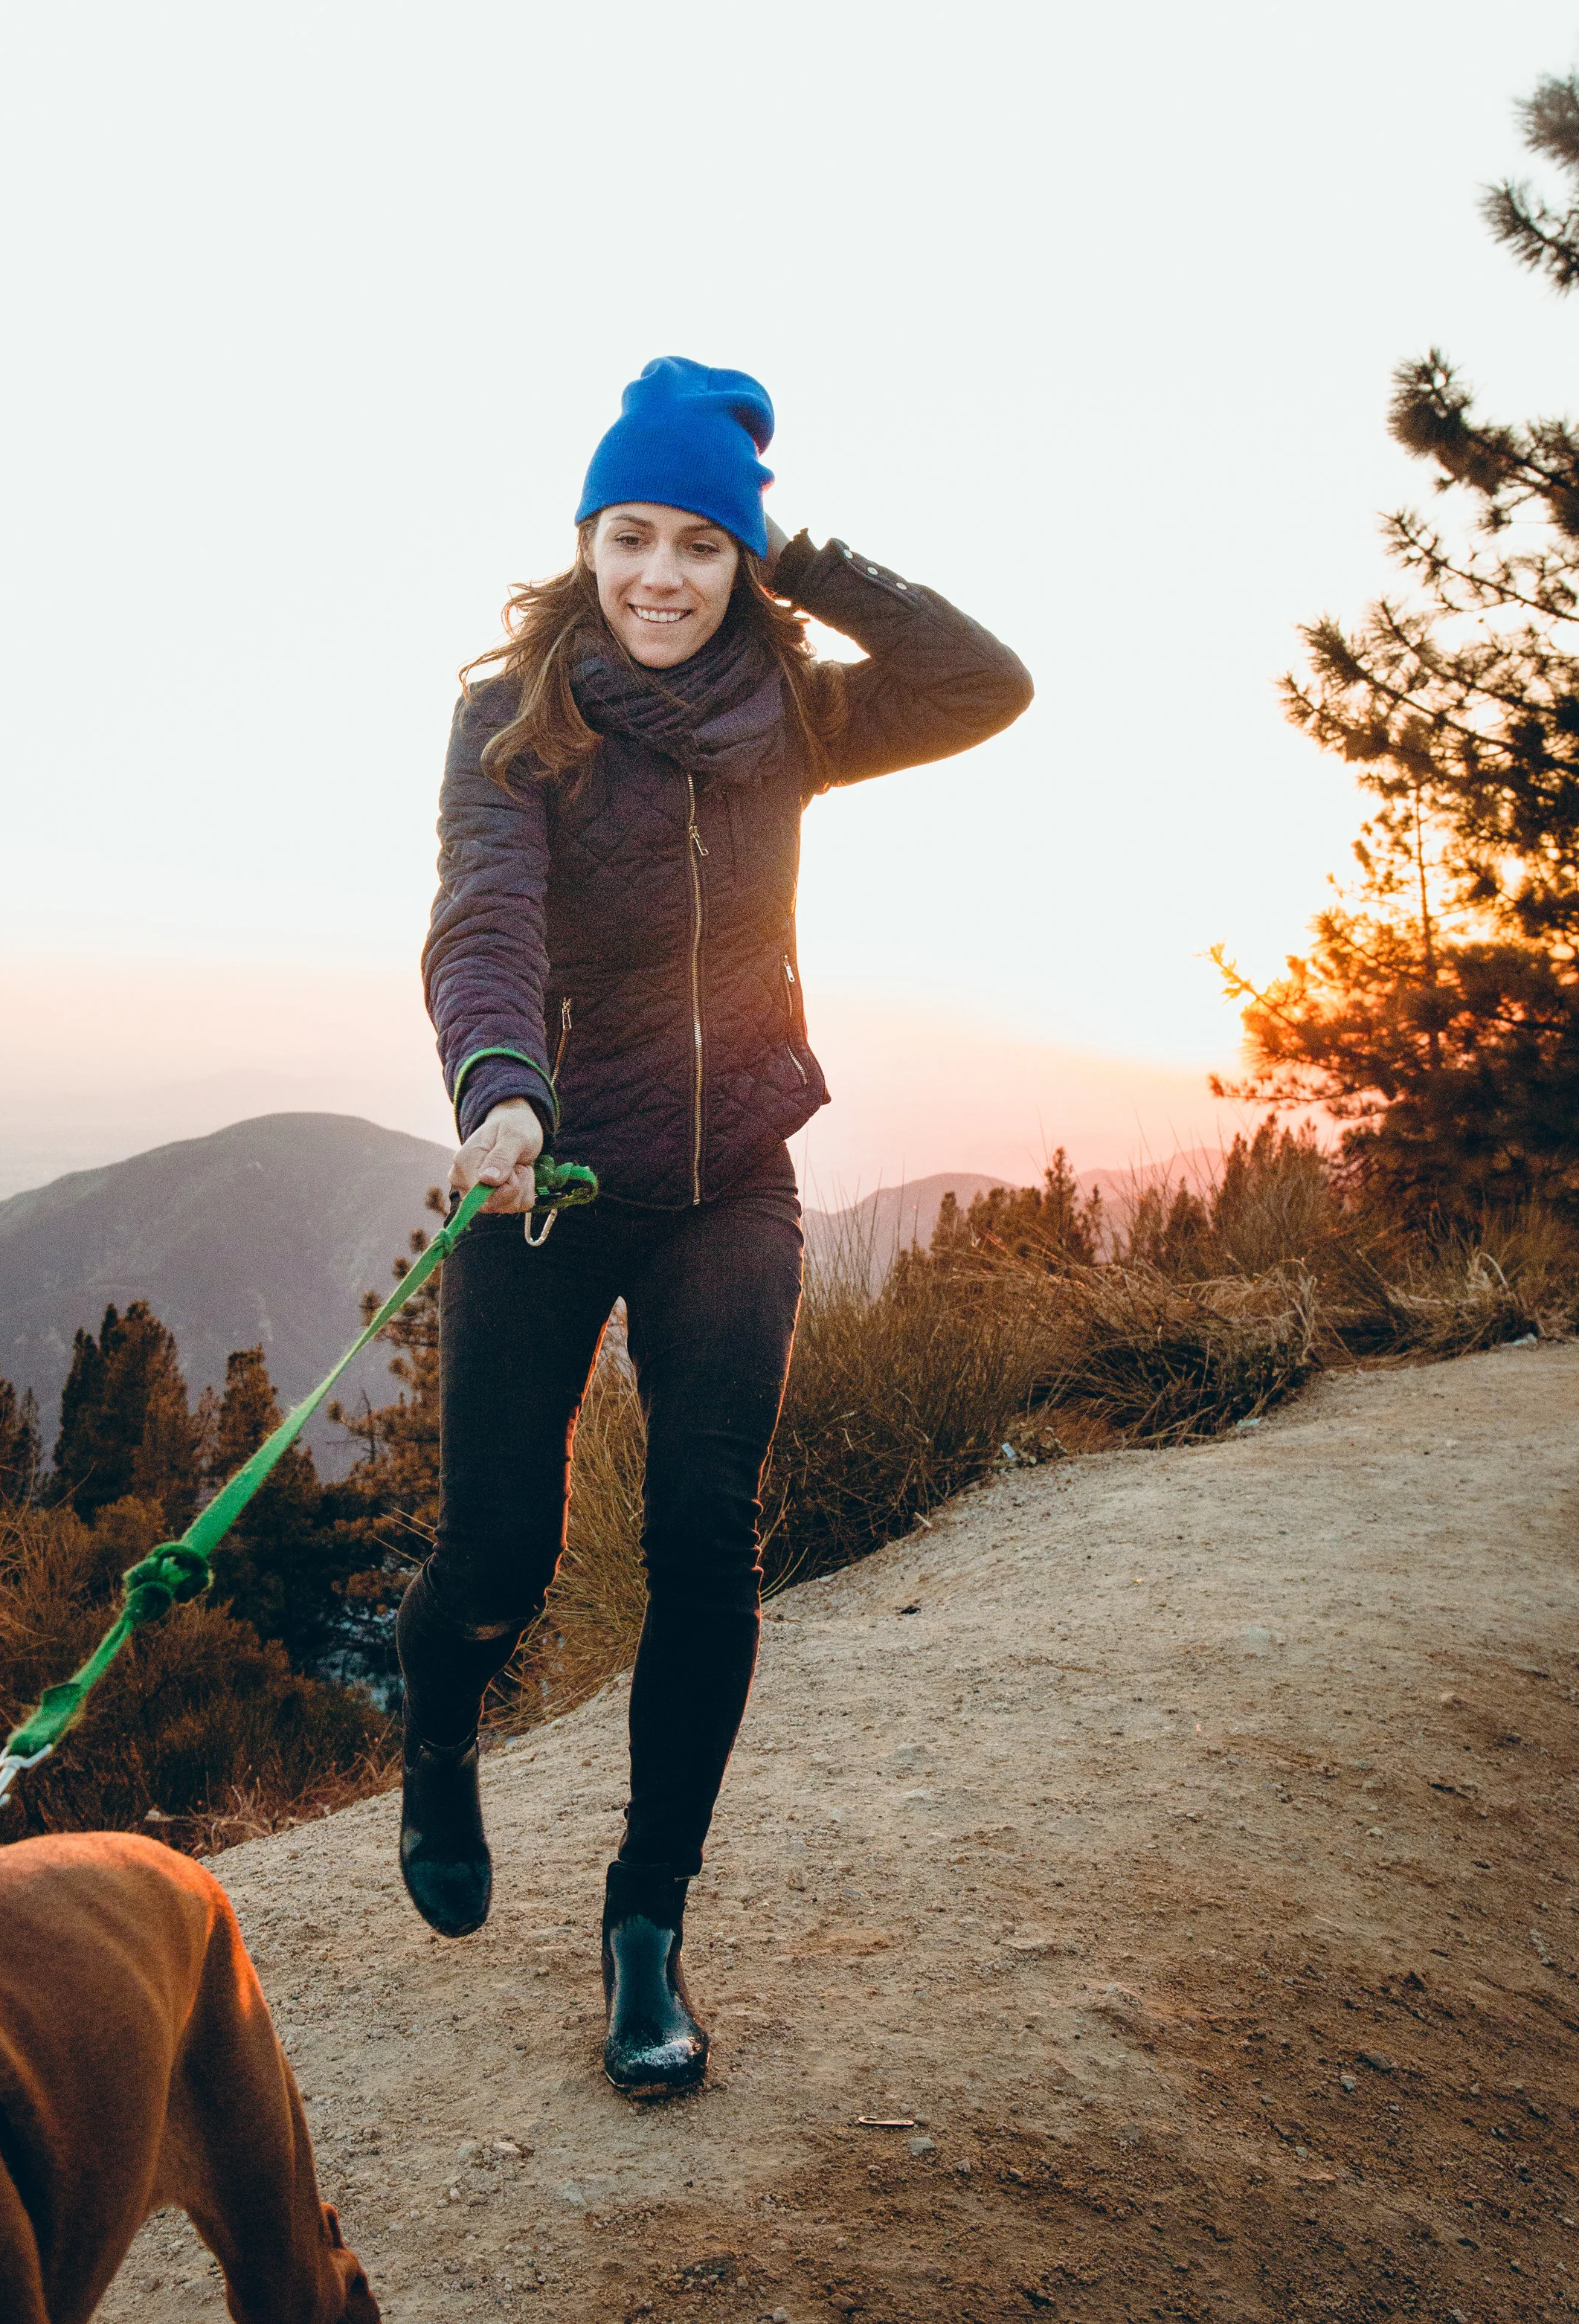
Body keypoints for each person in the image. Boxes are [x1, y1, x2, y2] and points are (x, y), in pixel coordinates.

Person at [401, 356, 1034, 2096]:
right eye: (630, 535)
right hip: (552, 1177)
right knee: (499, 1556)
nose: (659, 575)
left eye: (698, 541)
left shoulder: (797, 709)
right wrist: (501, 1087)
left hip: (732, 1174)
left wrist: (802, 553)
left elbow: (986, 681)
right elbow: (484, 913)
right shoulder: (513, 713)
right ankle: (436, 1714)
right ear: (584, 539)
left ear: (740, 556)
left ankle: (644, 1923)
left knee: (702, 1537)